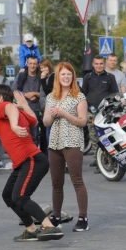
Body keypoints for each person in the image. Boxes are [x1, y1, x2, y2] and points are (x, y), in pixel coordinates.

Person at [0, 84, 64, 241]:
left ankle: (49, 226)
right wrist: (24, 105)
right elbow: (34, 121)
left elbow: (9, 107)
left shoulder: (4, 106)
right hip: (24, 162)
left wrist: (14, 126)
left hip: (32, 159)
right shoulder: (17, 111)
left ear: (0, 98)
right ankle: (31, 229)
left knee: (20, 197)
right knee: (8, 196)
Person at [43, 62, 90, 232]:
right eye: (63, 74)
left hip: (72, 141)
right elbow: (46, 121)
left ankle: (83, 217)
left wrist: (64, 113)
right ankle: (56, 216)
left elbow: (82, 121)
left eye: (69, 74)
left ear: (73, 77)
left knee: (77, 180)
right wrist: (50, 116)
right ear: (57, 77)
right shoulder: (51, 97)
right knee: (56, 182)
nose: (66, 77)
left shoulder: (79, 97)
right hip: (55, 141)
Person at [81, 55, 119, 169]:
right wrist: (88, 107)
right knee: (93, 136)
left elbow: (114, 94)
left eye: (101, 63)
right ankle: (96, 159)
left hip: (105, 112)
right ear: (93, 64)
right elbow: (83, 94)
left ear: (104, 64)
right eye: (96, 64)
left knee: (105, 136)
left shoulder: (110, 77)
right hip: (91, 111)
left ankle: (107, 158)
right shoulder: (87, 77)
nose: (99, 66)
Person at [13, 55, 43, 147]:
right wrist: (27, 95)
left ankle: (34, 158)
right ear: (27, 63)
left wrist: (35, 94)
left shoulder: (41, 76)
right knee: (23, 135)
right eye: (30, 63)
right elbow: (14, 91)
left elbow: (47, 93)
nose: (32, 66)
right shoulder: (21, 75)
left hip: (36, 109)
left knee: (34, 136)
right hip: (22, 110)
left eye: (34, 64)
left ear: (38, 64)